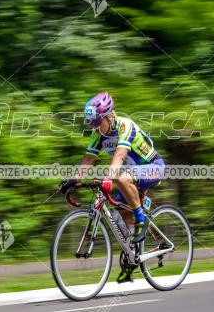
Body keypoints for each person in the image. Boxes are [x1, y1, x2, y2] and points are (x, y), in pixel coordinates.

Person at [60, 92, 165, 244]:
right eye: (90, 123)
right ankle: (139, 248)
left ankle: (141, 221)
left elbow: (120, 156)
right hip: (130, 173)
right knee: (122, 212)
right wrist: (74, 179)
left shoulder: (125, 125)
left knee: (120, 178)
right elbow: (89, 159)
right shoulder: (99, 134)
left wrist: (108, 178)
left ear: (109, 116)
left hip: (153, 167)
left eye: (96, 122)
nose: (94, 127)